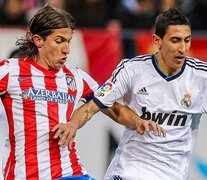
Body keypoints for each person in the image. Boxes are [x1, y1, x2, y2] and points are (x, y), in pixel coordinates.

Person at [0, 5, 165, 180]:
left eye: (68, 41)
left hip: (70, 173)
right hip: (27, 175)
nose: (66, 49)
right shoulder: (11, 71)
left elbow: (112, 107)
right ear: (38, 40)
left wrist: (138, 121)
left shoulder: (76, 77)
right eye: (59, 41)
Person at [54, 7, 207, 180]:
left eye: (187, 40)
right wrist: (73, 124)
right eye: (175, 40)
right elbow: (93, 105)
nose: (183, 48)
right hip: (130, 170)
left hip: (172, 174)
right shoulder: (132, 69)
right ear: (157, 41)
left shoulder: (201, 76)